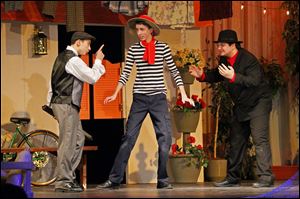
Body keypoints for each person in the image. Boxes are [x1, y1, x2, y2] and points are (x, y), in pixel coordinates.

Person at [97, 15, 194, 190]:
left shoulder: (163, 48)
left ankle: (162, 180)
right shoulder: (134, 49)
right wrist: (115, 93)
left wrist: (183, 94)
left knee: (164, 139)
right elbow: (125, 73)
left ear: (150, 30)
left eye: (142, 29)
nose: (139, 33)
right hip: (140, 99)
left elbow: (174, 71)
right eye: (137, 30)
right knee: (128, 139)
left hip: (158, 98)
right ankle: (114, 179)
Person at [189, 29, 274, 188]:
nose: (219, 48)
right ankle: (232, 178)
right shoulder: (224, 60)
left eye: (222, 45)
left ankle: (266, 177)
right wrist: (201, 75)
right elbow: (217, 75)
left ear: (233, 45)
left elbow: (254, 81)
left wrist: (234, 77)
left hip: (258, 103)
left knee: (259, 139)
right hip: (242, 105)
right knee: (236, 141)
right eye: (218, 45)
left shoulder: (248, 59)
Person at [47, 31, 105, 192]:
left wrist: (50, 104)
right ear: (78, 42)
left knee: (78, 139)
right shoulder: (72, 60)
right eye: (88, 44)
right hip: (66, 104)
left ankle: (68, 177)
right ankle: (63, 181)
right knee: (68, 142)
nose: (89, 48)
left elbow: (52, 82)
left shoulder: (62, 57)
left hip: (65, 104)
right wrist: (98, 61)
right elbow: (92, 77)